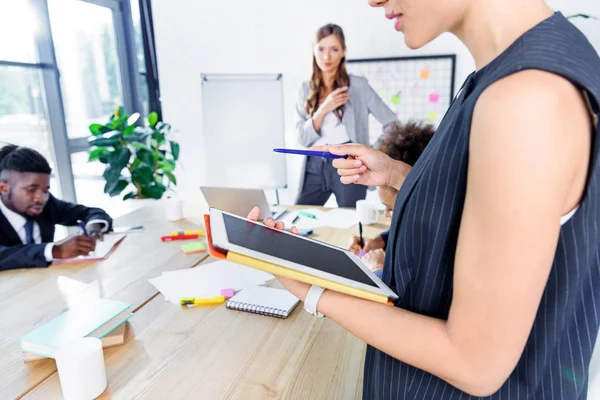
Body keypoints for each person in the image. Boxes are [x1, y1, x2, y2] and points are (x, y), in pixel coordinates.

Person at [249, 0, 600, 398]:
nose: (373, 0)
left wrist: (312, 289)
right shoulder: (503, 78)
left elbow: (474, 363)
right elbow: (476, 207)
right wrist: (396, 172)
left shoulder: (525, 100)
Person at [295, 23, 397, 207]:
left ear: (343, 51)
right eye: (321, 49)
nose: (327, 56)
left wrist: (370, 151)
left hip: (348, 163)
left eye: (334, 49)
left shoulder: (358, 86)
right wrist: (324, 108)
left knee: (351, 221)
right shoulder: (304, 89)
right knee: (300, 214)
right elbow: (302, 138)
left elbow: (392, 123)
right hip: (314, 165)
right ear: (313, 51)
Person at [0, 145, 112, 271]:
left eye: (45, 190)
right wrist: (55, 251)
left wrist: (93, 227)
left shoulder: (48, 204)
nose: (41, 199)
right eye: (31, 190)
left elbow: (91, 213)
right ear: (3, 188)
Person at [347, 121, 435, 277]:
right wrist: (380, 241)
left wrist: (377, 270)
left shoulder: (429, 245)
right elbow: (398, 231)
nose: (386, 214)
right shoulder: (422, 221)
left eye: (391, 208)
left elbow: (399, 298)